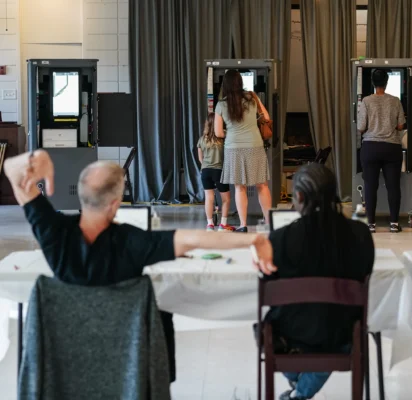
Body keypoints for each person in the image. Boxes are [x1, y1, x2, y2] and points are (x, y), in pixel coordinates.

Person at [4, 150, 276, 384]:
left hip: (68, 355)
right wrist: (253, 238)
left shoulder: (53, 234)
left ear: (82, 194)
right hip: (128, 361)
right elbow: (195, 239)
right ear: (114, 204)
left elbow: (10, 170)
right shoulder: (134, 243)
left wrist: (34, 159)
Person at [264, 163, 375, 400]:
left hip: (290, 336)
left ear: (300, 196)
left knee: (269, 328)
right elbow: (365, 272)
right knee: (330, 323)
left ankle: (299, 388)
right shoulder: (360, 235)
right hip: (342, 336)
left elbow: (269, 283)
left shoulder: (280, 239)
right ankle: (300, 392)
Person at [214, 70, 272, 232]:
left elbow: (218, 133)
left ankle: (243, 225)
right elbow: (266, 118)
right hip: (255, 145)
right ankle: (269, 222)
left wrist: (232, 133)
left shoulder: (221, 104)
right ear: (240, 82)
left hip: (234, 148)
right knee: (262, 185)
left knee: (240, 188)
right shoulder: (252, 98)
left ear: (224, 85)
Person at [357, 69, 406, 233]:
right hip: (392, 148)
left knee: (370, 186)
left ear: (372, 82)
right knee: (393, 186)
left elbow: (361, 127)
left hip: (370, 147)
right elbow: (400, 125)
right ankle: (393, 223)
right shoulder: (395, 101)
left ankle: (371, 224)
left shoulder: (366, 101)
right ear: (386, 82)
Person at [198, 111, 234, 231]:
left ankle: (210, 225)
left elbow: (200, 158)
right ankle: (223, 224)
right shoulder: (223, 137)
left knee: (209, 198)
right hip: (219, 171)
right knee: (226, 199)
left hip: (205, 171)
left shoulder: (202, 139)